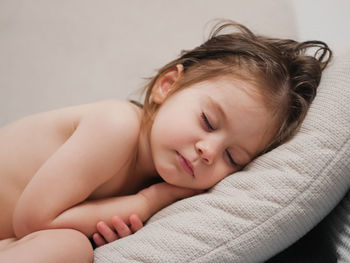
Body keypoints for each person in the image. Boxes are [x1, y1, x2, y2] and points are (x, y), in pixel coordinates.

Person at [0, 20, 331, 263]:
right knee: (71, 248)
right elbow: (33, 221)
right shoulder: (116, 125)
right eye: (208, 122)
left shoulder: (162, 174)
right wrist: (145, 203)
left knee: (70, 247)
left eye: (232, 157)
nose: (209, 151)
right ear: (168, 85)